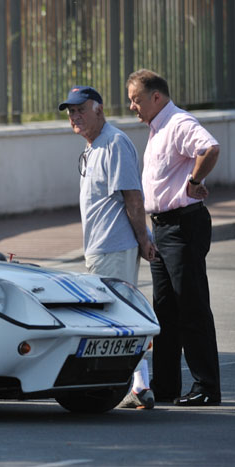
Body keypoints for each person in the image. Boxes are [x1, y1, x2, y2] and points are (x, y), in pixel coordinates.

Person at [126, 69, 221, 406]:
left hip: (183, 225)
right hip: (163, 227)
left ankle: (206, 387)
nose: (132, 108)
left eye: (136, 100)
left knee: (191, 306)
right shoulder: (157, 128)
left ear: (156, 96)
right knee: (164, 309)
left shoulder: (178, 122)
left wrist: (195, 182)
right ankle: (166, 385)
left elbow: (209, 148)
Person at [59, 85, 157, 409]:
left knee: (118, 319)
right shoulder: (93, 147)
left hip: (114, 248)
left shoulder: (115, 142)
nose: (75, 116)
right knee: (120, 317)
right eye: (71, 111)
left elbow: (133, 196)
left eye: (81, 109)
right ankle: (139, 385)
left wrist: (143, 239)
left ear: (98, 109)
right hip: (100, 248)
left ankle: (138, 385)